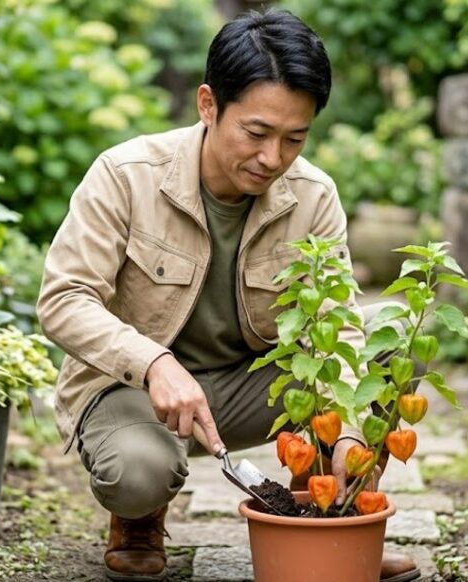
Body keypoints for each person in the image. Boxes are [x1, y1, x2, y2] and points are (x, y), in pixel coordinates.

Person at [37, 9, 421, 582]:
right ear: (208, 105)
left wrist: (345, 433)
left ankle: (330, 513)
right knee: (138, 473)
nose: (274, 158)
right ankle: (139, 520)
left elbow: (338, 323)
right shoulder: (125, 175)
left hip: (247, 385)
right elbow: (63, 299)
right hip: (134, 389)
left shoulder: (313, 196)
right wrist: (152, 362)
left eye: (295, 138)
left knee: (395, 336)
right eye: (257, 133)